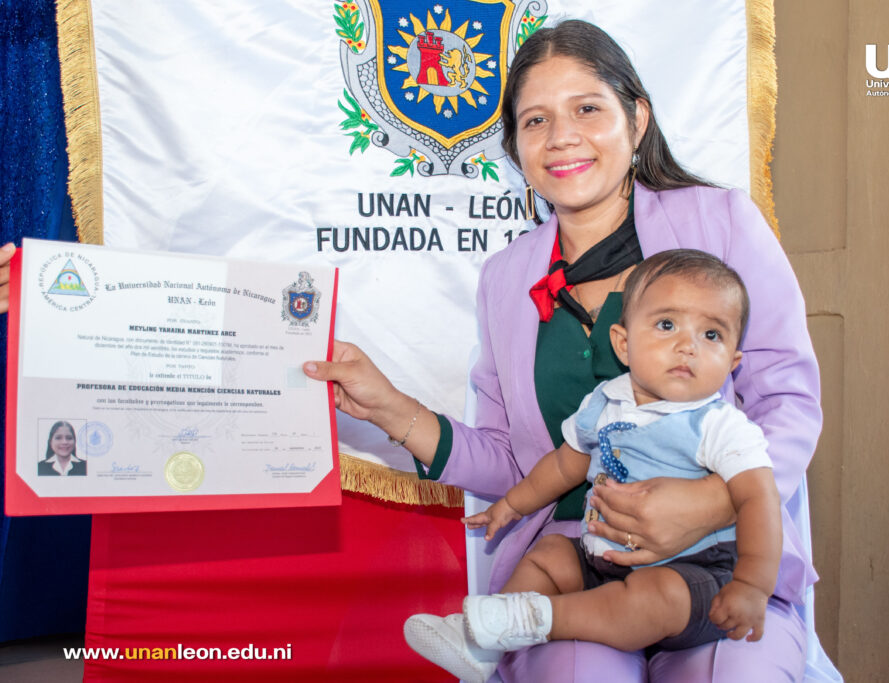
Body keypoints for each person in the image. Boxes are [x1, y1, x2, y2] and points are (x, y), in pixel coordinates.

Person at [303, 19, 821, 682]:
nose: (563, 137)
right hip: (576, 560)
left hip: (721, 551)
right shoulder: (506, 277)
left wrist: (713, 502)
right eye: (537, 120)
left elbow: (788, 401)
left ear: (636, 119)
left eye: (587, 109)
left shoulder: (720, 222)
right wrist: (389, 408)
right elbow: (511, 462)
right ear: (516, 148)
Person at [403, 250, 782, 683]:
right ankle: (481, 646)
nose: (687, 345)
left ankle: (535, 619)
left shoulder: (719, 425)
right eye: (666, 325)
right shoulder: (605, 400)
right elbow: (565, 466)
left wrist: (751, 585)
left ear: (733, 361)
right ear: (623, 343)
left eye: (712, 334)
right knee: (548, 556)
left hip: (693, 574)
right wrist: (511, 504)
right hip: (602, 560)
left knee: (651, 599)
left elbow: (759, 500)